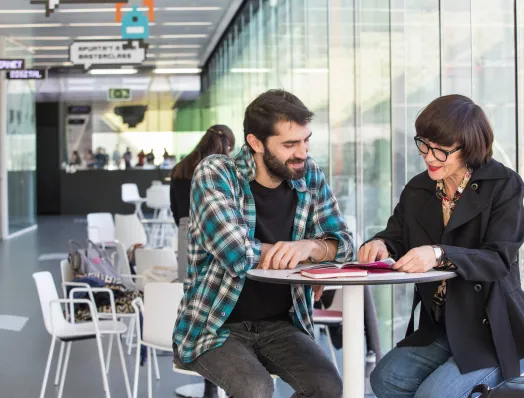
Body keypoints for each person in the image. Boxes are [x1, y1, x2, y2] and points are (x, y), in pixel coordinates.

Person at [172, 89, 353, 398]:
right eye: (290, 144)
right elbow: (237, 251)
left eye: (306, 140)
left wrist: (311, 248)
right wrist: (304, 256)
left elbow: (345, 244)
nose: (302, 152)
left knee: (327, 387)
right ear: (256, 143)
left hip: (282, 325)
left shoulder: (308, 175)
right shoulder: (217, 173)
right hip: (215, 327)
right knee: (255, 389)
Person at [362, 94, 524, 398]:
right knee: (385, 378)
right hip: (442, 327)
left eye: (441, 150)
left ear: (470, 147)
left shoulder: (505, 185)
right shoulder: (418, 188)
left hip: (491, 331)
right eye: (423, 144)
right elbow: (396, 234)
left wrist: (438, 253)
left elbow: (498, 259)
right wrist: (380, 244)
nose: (429, 156)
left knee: (433, 395)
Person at [170, 124, 235, 226]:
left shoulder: (181, 167)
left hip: (186, 226)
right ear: (228, 146)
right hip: (217, 229)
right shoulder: (223, 169)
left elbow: (174, 206)